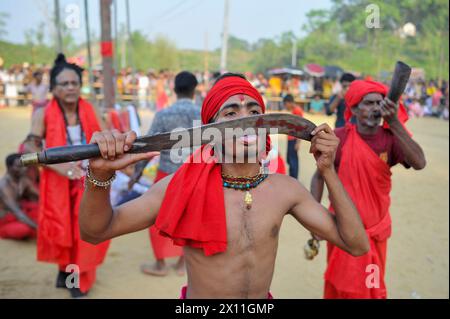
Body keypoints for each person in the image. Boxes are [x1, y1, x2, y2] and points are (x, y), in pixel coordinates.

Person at [79, 73, 370, 299]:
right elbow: (96, 231)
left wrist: (328, 170)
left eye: (253, 111)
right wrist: (100, 177)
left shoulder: (285, 189)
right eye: (230, 114)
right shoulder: (180, 186)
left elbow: (356, 245)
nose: (245, 120)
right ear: (211, 133)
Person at [310, 80, 426, 299]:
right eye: (369, 103)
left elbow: (419, 162)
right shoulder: (339, 138)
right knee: (338, 284)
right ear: (354, 108)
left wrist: (395, 123)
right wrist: (315, 218)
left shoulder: (391, 139)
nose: (376, 108)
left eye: (379, 103)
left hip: (374, 234)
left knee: (371, 287)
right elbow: (318, 177)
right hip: (341, 232)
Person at [25, 53, 110, 298]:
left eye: (75, 83)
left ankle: (78, 281)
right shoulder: (43, 113)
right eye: (65, 84)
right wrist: (59, 167)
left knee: (87, 230)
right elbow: (31, 146)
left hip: (89, 179)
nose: (71, 88)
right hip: (58, 182)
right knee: (63, 230)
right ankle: (65, 272)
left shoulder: (89, 107)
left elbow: (105, 133)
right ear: (54, 88)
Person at [130, 71, 200, 276]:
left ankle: (160, 264)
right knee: (190, 219)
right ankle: (181, 264)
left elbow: (148, 147)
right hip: (195, 174)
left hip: (167, 175)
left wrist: (136, 174)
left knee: (157, 219)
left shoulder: (163, 115)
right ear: (194, 90)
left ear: (174, 89)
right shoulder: (204, 114)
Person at [0, 153, 38, 239]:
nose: (24, 169)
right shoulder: (4, 186)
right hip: (5, 219)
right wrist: (39, 228)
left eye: (25, 166)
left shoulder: (23, 179)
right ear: (9, 168)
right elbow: (17, 212)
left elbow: (41, 196)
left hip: (20, 211)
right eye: (19, 167)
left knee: (43, 211)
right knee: (24, 230)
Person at [283, 94, 303, 179]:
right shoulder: (295, 110)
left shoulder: (297, 111)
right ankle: (293, 177)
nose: (285, 106)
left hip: (293, 139)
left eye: (285, 104)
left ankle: (294, 178)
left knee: (292, 160)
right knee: (290, 159)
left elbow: (300, 127)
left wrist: (298, 142)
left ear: (289, 102)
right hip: (291, 138)